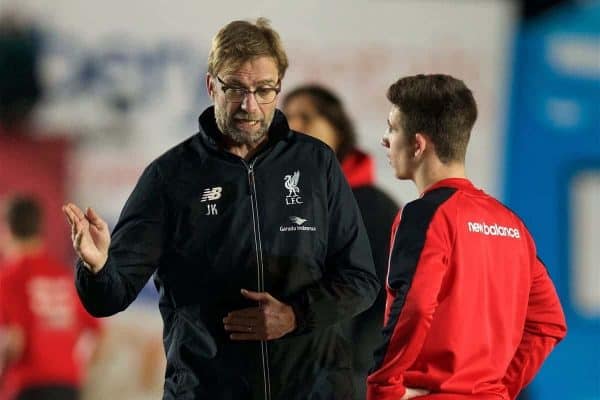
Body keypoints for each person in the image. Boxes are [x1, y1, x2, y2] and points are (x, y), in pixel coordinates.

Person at [62, 18, 379, 400]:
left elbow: (360, 280)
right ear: (211, 84)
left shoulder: (317, 163)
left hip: (315, 390)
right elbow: (108, 298)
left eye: (264, 90)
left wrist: (294, 315)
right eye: (235, 89)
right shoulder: (170, 176)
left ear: (279, 86)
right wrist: (96, 267)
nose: (250, 105)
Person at [366, 74, 567, 400]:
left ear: (417, 144)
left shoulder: (423, 215)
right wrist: (498, 390)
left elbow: (413, 306)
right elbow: (549, 322)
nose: (385, 140)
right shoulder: (512, 224)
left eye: (392, 127)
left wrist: (383, 389)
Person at [282, 85, 399, 399]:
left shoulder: (375, 207)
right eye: (287, 117)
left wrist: (358, 367)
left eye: (306, 117)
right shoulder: (274, 203)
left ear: (337, 129)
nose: (293, 126)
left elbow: (389, 299)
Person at [0, 196, 100, 400]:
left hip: (27, 385)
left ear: (6, 230)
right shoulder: (64, 275)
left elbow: (15, 341)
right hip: (68, 386)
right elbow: (94, 332)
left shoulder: (10, 277)